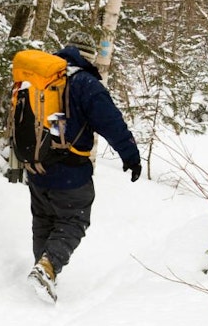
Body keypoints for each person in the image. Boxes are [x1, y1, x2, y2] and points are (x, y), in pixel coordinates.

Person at [25, 34, 141, 303]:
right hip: (70, 170)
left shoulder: (41, 78)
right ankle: (46, 268)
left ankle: (42, 269)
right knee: (73, 219)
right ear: (88, 56)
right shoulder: (85, 84)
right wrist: (130, 155)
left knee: (43, 219)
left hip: (36, 166)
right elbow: (111, 122)